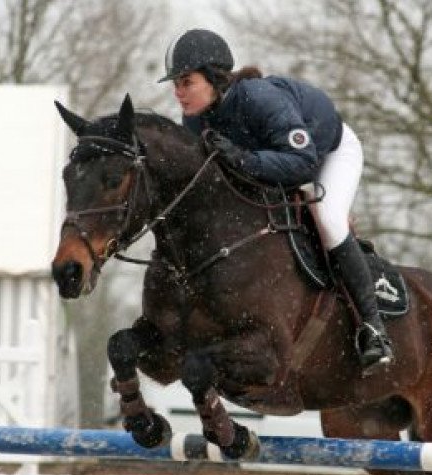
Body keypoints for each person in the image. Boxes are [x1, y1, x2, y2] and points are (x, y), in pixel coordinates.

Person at [158, 28, 394, 374]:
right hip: (279, 163)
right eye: (175, 85)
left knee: (327, 219)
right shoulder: (194, 121)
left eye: (186, 82)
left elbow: (303, 162)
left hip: (329, 153)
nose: (178, 93)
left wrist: (242, 159)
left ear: (212, 77)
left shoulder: (258, 98)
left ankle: (373, 330)